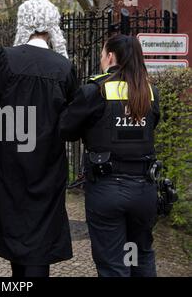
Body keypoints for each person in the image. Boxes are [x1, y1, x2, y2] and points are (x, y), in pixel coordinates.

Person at [0, 0, 77, 277]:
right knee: (41, 238)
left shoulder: (5, 58)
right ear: (52, 25)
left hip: (11, 164)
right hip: (48, 165)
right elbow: (72, 118)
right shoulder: (64, 67)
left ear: (23, 22)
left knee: (15, 232)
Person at [60, 34, 160, 277]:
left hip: (108, 191)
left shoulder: (96, 89)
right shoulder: (149, 91)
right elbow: (151, 125)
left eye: (103, 54)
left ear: (111, 56)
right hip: (144, 191)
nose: (102, 59)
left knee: (114, 265)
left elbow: (65, 128)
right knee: (139, 257)